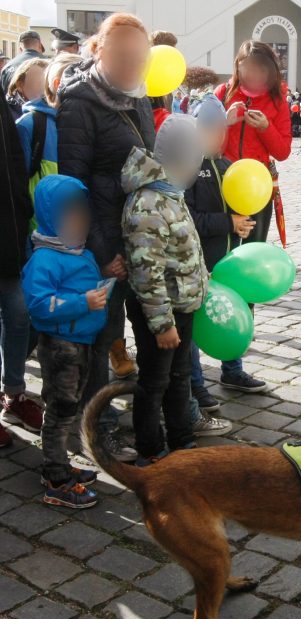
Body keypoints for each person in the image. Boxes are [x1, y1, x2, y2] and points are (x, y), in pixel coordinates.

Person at [58, 12, 154, 461]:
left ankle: (152, 417)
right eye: (122, 54)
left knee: (151, 327)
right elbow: (73, 185)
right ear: (99, 50)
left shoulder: (141, 97)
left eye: (140, 56)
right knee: (104, 338)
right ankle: (101, 428)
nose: (132, 63)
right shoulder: (80, 101)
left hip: (142, 239)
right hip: (106, 243)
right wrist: (101, 251)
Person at [121, 114, 208, 465]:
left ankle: (181, 439)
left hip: (181, 307)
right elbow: (147, 273)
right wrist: (162, 324)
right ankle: (151, 448)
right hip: (161, 314)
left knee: (179, 376)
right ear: (178, 159)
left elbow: (182, 248)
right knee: (155, 381)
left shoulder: (171, 193)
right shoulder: (148, 203)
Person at [21, 175, 106, 508]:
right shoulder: (44, 258)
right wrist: (83, 302)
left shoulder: (77, 250)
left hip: (81, 342)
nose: (78, 219)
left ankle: (55, 464)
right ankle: (56, 480)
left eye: (80, 212)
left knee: (68, 407)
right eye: (69, 213)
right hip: (60, 346)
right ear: (50, 215)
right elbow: (39, 304)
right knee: (60, 410)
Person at [184, 93, 258, 412]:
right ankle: (195, 384)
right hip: (199, 264)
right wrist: (229, 222)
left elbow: (243, 203)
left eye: (220, 129)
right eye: (209, 128)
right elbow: (189, 219)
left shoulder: (230, 166)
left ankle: (232, 370)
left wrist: (242, 225)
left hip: (229, 263)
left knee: (231, 312)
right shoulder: (187, 169)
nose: (217, 135)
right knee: (195, 325)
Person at [214, 40, 291, 245]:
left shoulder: (278, 100)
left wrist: (266, 128)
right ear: (237, 65)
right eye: (247, 66)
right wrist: (224, 123)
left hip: (257, 186)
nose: (253, 74)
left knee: (253, 248)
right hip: (222, 182)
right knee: (222, 248)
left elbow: (283, 151)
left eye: (260, 68)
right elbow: (203, 143)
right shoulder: (222, 94)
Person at [0, 99, 38, 447]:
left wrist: (23, 211)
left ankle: (13, 393)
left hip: (10, 234)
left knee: (19, 317)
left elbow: (14, 163)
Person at [17, 53, 83, 221]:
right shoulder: (30, 125)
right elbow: (16, 190)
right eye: (81, 84)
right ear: (57, 85)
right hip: (39, 235)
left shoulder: (87, 124)